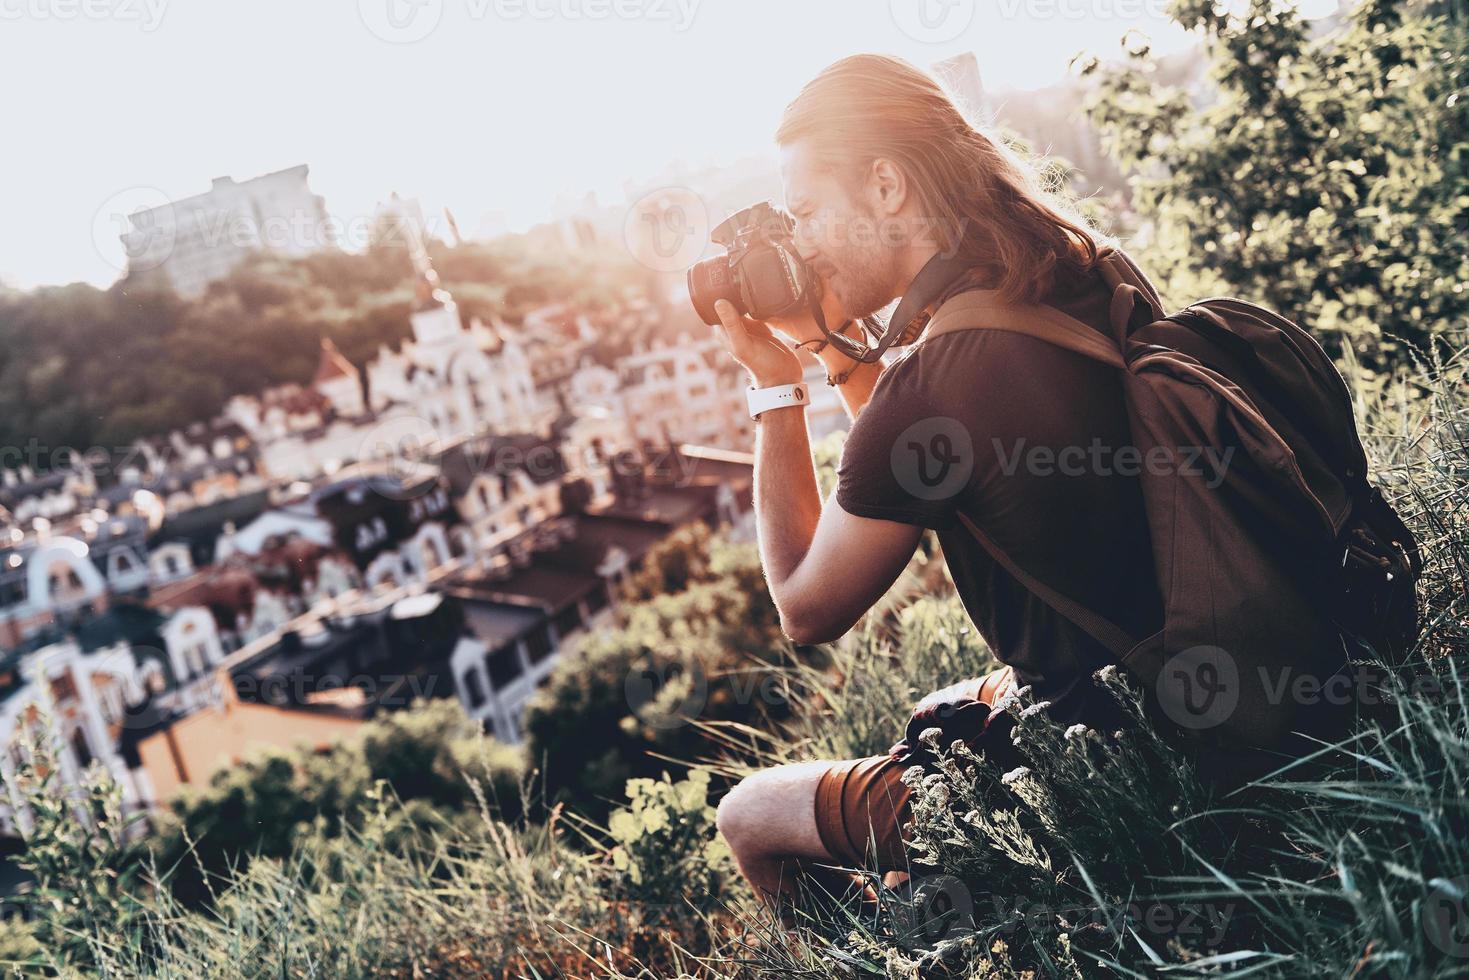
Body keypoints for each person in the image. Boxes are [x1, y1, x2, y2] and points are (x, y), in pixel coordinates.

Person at [709, 53, 1164, 912]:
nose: (798, 241)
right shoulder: (1077, 265)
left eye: (805, 211)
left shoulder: (937, 377)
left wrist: (775, 384)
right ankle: (942, 902)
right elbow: (916, 439)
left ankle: (896, 955)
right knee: (937, 711)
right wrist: (832, 344)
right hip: (1185, 670)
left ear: (885, 186)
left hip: (1106, 750)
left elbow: (807, 608)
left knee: (748, 815)